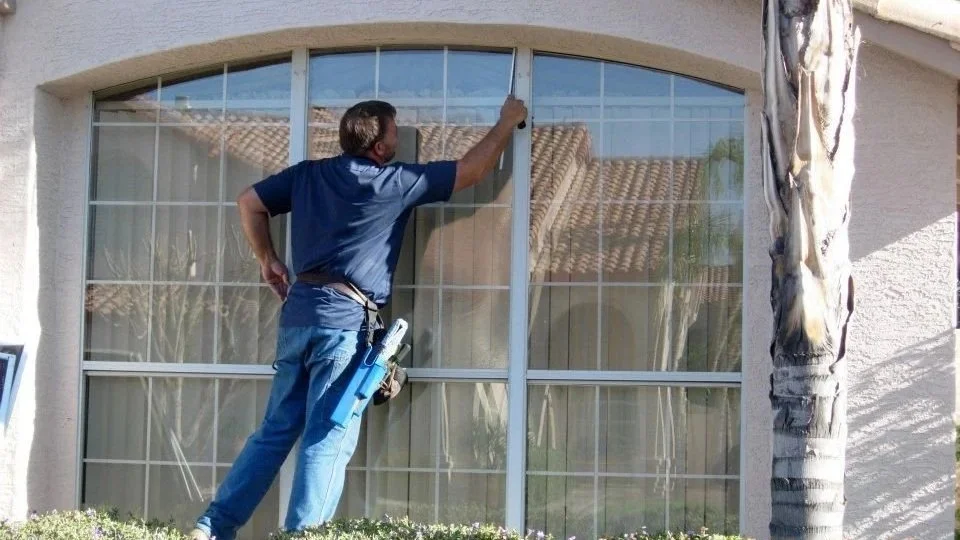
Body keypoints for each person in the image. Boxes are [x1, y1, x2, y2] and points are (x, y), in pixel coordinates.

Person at [188, 95, 528, 540]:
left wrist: (267, 259)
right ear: (380, 147)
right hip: (344, 326)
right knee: (327, 437)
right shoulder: (392, 183)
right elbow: (472, 171)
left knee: (275, 432)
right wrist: (506, 122)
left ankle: (213, 526)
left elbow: (248, 201)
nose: (399, 139)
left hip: (298, 318)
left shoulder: (307, 175)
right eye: (395, 132)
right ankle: (304, 537)